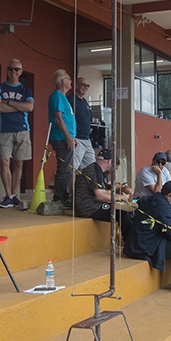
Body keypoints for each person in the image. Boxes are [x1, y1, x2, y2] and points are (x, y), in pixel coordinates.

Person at [0, 59, 34, 209]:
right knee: (4, 162)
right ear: (7, 71)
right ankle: (8, 195)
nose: (13, 72)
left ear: (21, 71)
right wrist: (18, 107)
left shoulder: (26, 90)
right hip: (4, 130)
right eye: (11, 69)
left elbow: (29, 107)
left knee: (18, 162)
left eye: (17, 69)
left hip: (22, 129)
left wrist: (8, 103)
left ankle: (14, 195)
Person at [74, 148, 133, 235]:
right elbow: (100, 196)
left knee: (125, 211)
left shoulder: (96, 169)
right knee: (122, 214)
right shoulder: (95, 171)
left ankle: (129, 240)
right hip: (88, 207)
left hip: (90, 204)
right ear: (109, 161)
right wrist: (121, 197)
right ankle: (130, 242)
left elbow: (103, 191)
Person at [48, 69, 76, 207]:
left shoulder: (63, 97)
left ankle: (64, 195)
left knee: (68, 168)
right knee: (64, 168)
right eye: (69, 78)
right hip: (61, 138)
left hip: (66, 137)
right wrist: (68, 137)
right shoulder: (58, 96)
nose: (71, 81)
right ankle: (60, 197)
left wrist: (72, 136)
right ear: (63, 81)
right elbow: (58, 118)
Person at [68, 77, 96, 170]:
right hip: (77, 139)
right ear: (76, 85)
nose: (85, 87)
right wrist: (72, 137)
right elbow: (65, 119)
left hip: (87, 139)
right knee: (73, 167)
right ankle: (70, 185)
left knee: (90, 167)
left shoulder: (85, 102)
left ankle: (83, 185)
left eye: (87, 85)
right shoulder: (70, 100)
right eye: (83, 85)